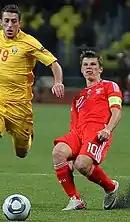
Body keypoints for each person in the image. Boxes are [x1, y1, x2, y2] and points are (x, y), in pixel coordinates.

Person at [0, 4, 64, 203]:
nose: (10, 25)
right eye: (6, 21)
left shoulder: (29, 43)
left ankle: (27, 139)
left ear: (20, 23)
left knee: (21, 153)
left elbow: (54, 63)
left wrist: (58, 82)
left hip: (20, 108)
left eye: (14, 21)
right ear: (1, 22)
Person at [53, 50, 122, 211]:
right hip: (78, 133)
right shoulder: (79, 97)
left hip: (97, 131)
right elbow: (74, 125)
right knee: (59, 152)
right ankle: (75, 200)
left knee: (82, 164)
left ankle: (110, 187)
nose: (89, 68)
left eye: (93, 64)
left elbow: (117, 110)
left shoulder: (109, 86)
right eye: (86, 65)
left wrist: (108, 128)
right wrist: (69, 155)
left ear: (100, 69)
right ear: (81, 70)